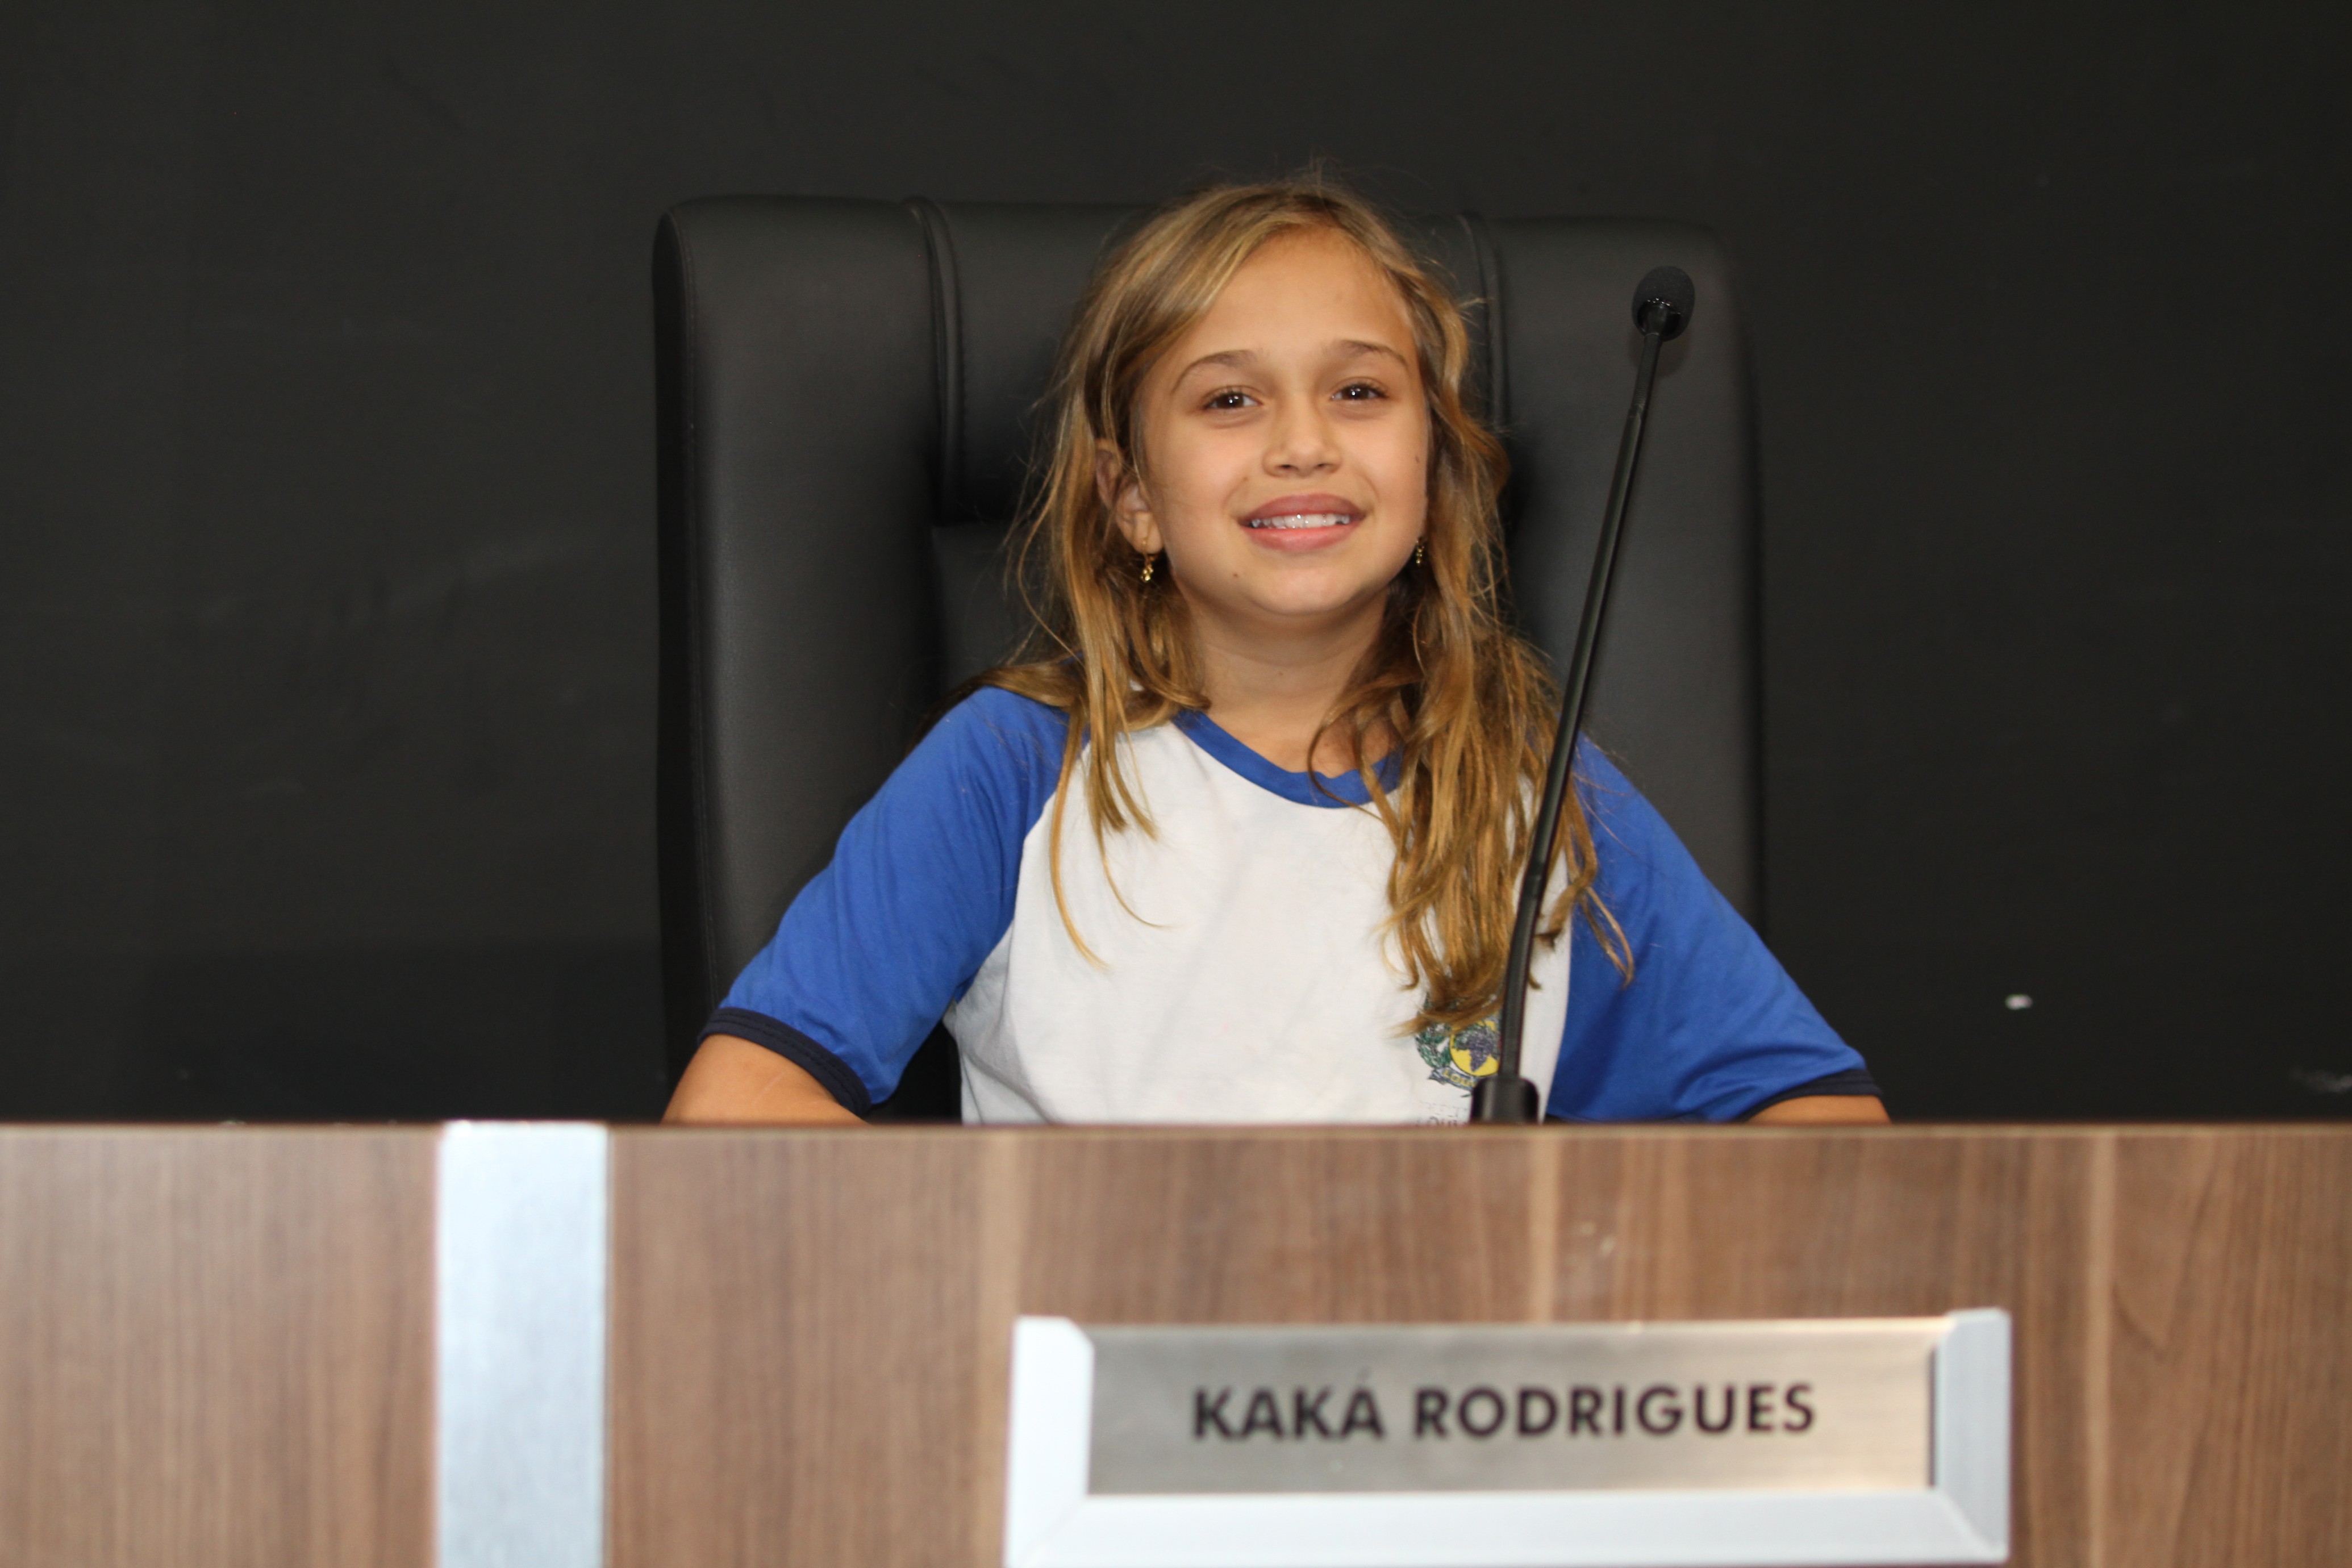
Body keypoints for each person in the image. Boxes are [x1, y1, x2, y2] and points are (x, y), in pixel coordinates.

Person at [666, 178, 1886, 1129]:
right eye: (1230, 400)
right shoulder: (1013, 771)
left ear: (1434, 470)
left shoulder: (1535, 794)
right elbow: (737, 1110)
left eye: (1360, 393)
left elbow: (1826, 1127)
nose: (1304, 444)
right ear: (1133, 498)